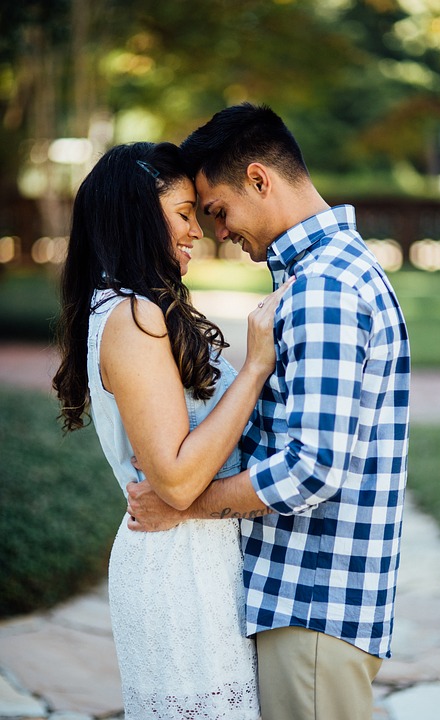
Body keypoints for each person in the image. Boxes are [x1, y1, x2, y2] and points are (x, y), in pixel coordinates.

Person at [126, 104, 411, 720]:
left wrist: (183, 504)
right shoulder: (331, 271)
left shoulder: (323, 289)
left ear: (260, 179)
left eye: (219, 212)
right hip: (315, 602)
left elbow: (312, 468)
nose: (219, 233)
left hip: (312, 604)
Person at [53, 140, 293, 720]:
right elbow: (179, 482)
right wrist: (255, 367)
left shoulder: (134, 308)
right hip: (177, 571)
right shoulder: (133, 318)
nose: (198, 231)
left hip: (198, 560)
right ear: (138, 215)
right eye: (184, 214)